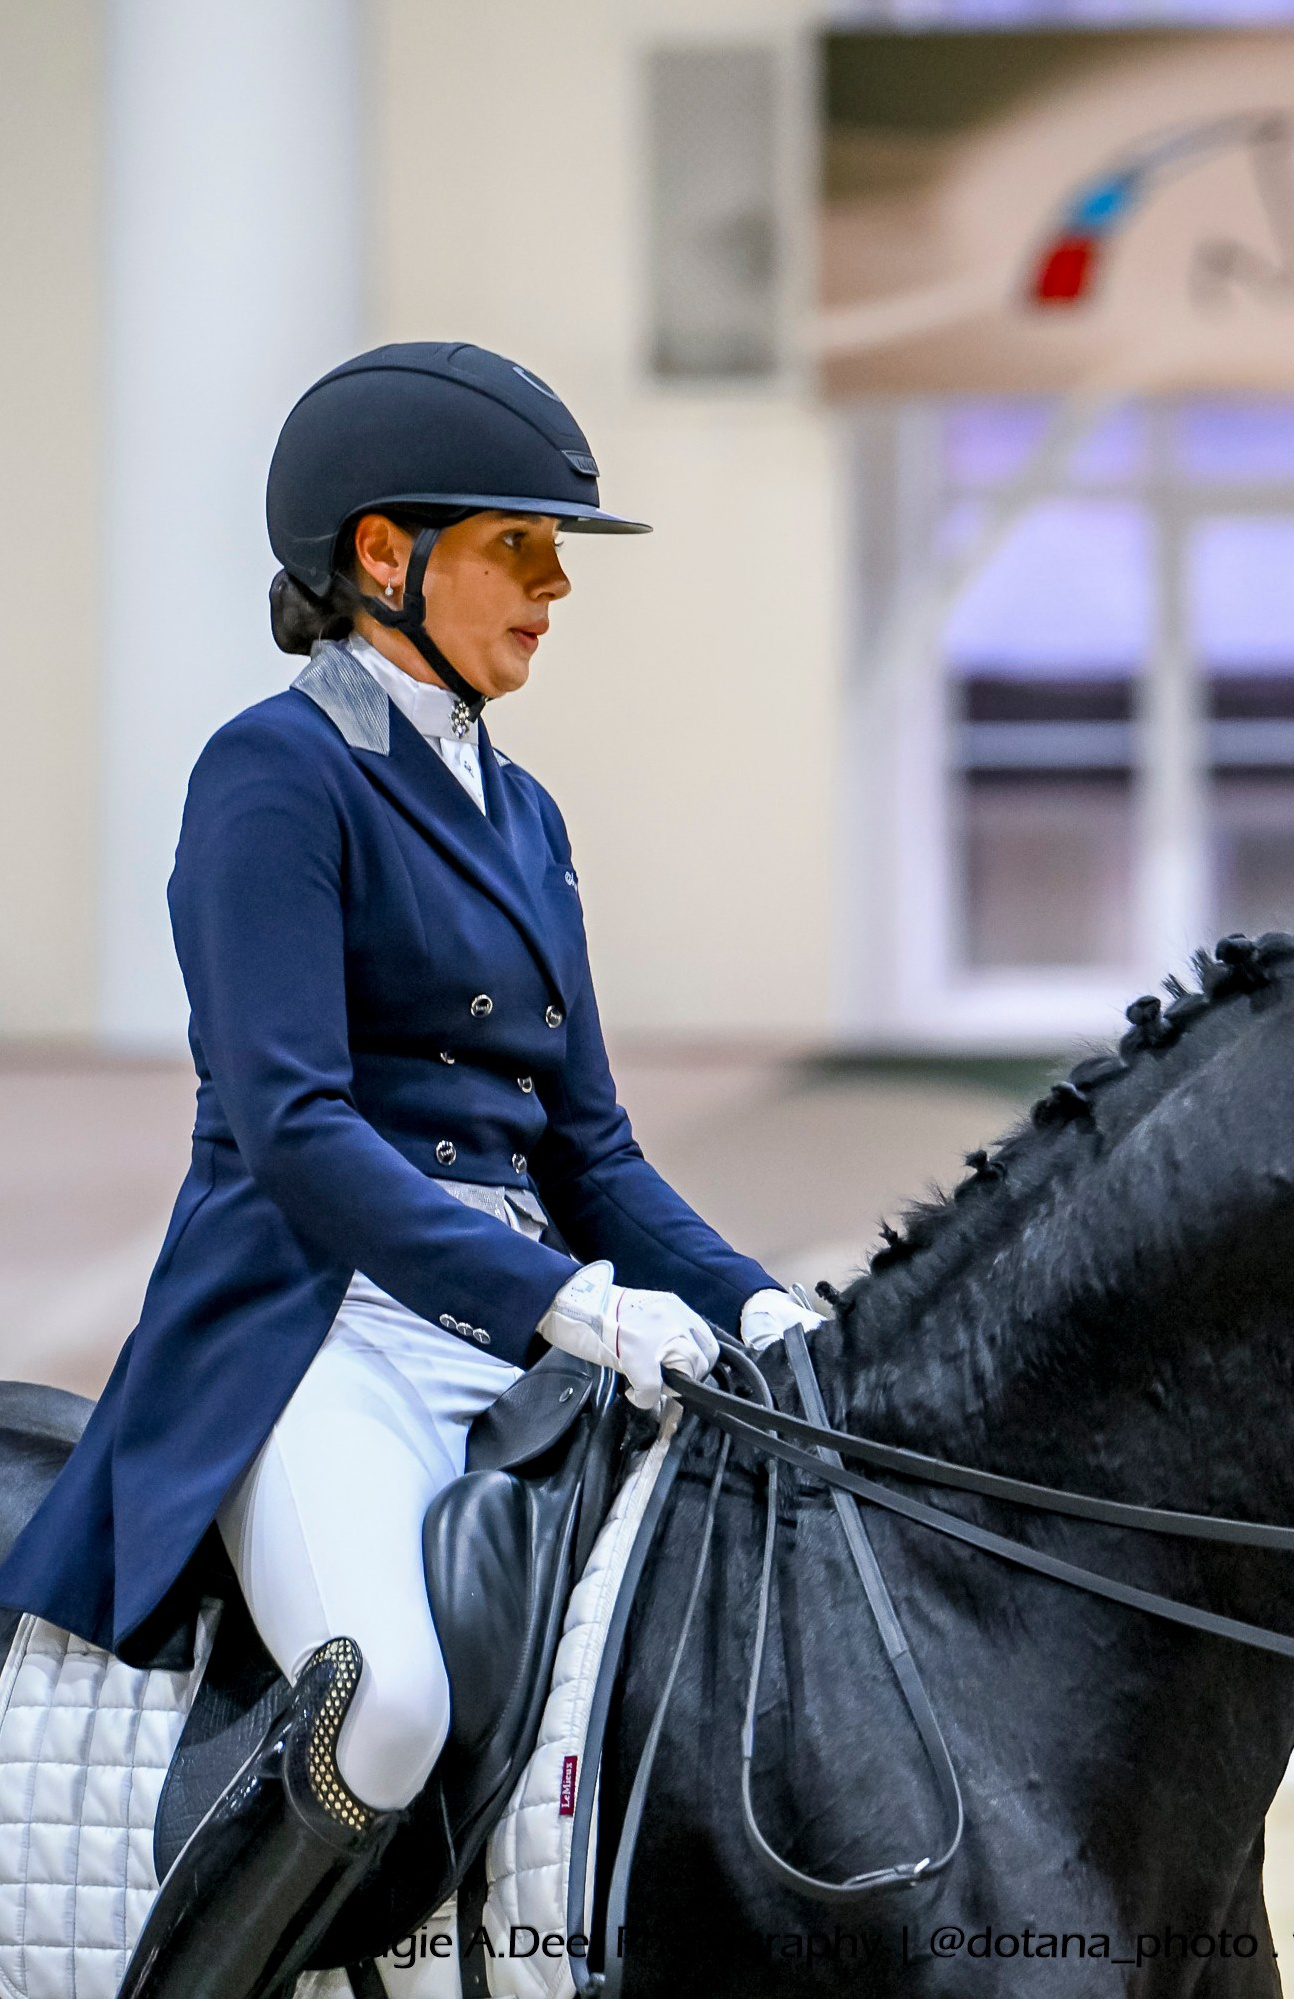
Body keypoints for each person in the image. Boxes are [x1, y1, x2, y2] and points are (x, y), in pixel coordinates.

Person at [0, 342, 819, 1999]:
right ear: (385, 557)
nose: (557, 581)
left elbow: (588, 1149)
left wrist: (764, 1305)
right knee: (385, 1699)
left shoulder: (528, 816)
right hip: (320, 1333)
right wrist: (571, 1312)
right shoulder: (271, 775)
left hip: (515, 1331)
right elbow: (296, 1130)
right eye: (518, 542)